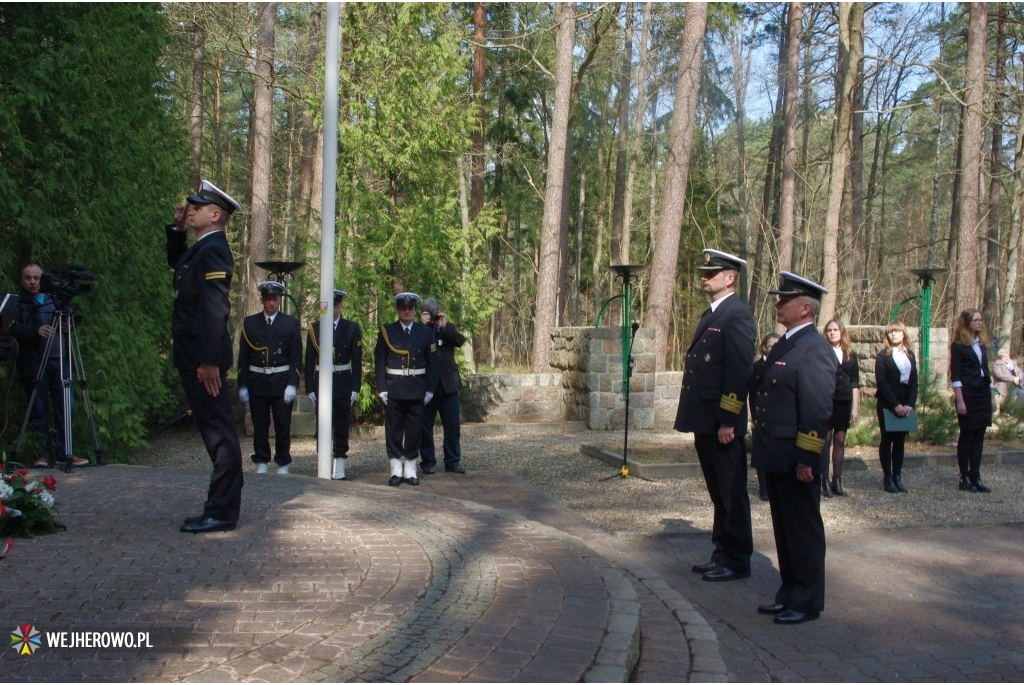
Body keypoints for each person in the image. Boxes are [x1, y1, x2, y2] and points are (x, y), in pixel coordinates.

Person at [750, 271, 836, 625]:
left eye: (784, 300)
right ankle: (789, 593)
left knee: (803, 529)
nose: (777, 305)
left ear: (804, 308)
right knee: (784, 529)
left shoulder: (814, 348)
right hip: (776, 453)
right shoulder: (787, 343)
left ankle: (807, 600)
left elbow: (816, 411)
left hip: (795, 456)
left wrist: (806, 457)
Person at [166, 179, 244, 534]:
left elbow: (214, 309)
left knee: (220, 435)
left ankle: (222, 511)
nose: (190, 209)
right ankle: (220, 507)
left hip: (203, 360)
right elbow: (178, 266)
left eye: (197, 206)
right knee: (216, 432)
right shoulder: (202, 248)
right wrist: (177, 230)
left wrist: (210, 361)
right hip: (194, 356)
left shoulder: (213, 250)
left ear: (216, 214)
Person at [674, 249, 756, 583]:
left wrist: (728, 419)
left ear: (730, 277)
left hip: (721, 422)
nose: (704, 278)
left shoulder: (736, 315)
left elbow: (738, 371)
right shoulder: (712, 314)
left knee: (731, 491)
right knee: (717, 491)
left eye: (712, 273)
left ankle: (737, 558)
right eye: (703, 273)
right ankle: (722, 550)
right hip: (705, 418)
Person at [11, 263, 89, 469]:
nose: (33, 282)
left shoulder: (55, 300)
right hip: (35, 362)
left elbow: (72, 323)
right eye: (28, 278)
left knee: (66, 406)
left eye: (36, 278)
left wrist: (67, 325)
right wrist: (35, 330)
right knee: (38, 408)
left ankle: (66, 452)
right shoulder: (18, 302)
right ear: (22, 279)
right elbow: (11, 329)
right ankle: (43, 453)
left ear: (42, 279)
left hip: (60, 359)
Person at [238, 281, 303, 475]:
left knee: (283, 425)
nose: (272, 303)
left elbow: (296, 357)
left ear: (280, 300)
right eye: (268, 299)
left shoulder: (290, 323)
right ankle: (261, 460)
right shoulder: (250, 323)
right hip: (257, 381)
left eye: (275, 299)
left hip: (281, 381)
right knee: (260, 424)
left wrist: (293, 384)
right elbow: (244, 356)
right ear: (262, 300)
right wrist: (242, 384)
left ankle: (283, 462)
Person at [375, 292, 437, 487]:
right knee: (393, 430)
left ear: (415, 310)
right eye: (403, 308)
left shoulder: (425, 332)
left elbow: (433, 363)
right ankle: (395, 468)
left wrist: (430, 389)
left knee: (414, 430)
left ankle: (410, 467)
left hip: (417, 387)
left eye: (410, 308)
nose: (407, 311)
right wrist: (382, 388)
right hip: (395, 387)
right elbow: (379, 361)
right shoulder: (387, 330)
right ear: (398, 310)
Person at [304, 289, 362, 480]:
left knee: (342, 425)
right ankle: (323, 465)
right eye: (331, 304)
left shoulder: (351, 328)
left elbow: (357, 360)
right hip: (322, 380)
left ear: (341, 305)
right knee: (322, 425)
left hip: (343, 380)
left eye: (337, 304)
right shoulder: (315, 328)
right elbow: (310, 360)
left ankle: (339, 468)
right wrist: (310, 388)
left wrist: (355, 387)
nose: (334, 307)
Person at [418, 297, 467, 475]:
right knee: (425, 427)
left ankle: (453, 461)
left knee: (452, 426)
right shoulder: (419, 330)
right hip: (427, 387)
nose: (433, 316)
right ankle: (428, 462)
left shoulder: (447, 328)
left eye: (435, 312)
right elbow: (414, 346)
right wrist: (423, 326)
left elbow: (459, 341)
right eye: (429, 313)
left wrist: (444, 326)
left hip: (449, 386)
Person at [950, 308, 996, 493]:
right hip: (968, 394)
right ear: (967, 322)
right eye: (976, 320)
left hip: (982, 393)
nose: (979, 323)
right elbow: (956, 375)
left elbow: (986, 371)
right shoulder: (959, 346)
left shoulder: (981, 345)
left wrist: (992, 396)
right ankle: (965, 477)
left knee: (979, 436)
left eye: (981, 320)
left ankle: (976, 476)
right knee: (967, 435)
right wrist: (960, 400)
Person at [874, 320, 918, 494]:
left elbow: (914, 382)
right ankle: (888, 477)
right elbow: (882, 383)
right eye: (891, 332)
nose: (894, 335)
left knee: (900, 441)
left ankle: (898, 476)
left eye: (897, 331)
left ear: (904, 334)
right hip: (888, 402)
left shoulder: (910, 355)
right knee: (887, 439)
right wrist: (896, 405)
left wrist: (909, 404)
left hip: (906, 401)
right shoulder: (882, 356)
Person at [820, 319, 860, 497]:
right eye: (829, 330)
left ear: (841, 332)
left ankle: (837, 479)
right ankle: (824, 481)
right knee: (825, 441)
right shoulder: (821, 351)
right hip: (827, 399)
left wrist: (855, 407)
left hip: (844, 400)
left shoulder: (850, 354)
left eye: (835, 329)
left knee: (839, 441)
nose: (832, 333)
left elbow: (855, 383)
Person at [751, 332, 780, 502]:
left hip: (777, 414)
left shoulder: (782, 364)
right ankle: (763, 488)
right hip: (760, 414)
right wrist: (754, 417)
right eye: (771, 345)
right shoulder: (756, 367)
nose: (773, 348)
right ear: (764, 347)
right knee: (760, 452)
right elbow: (752, 394)